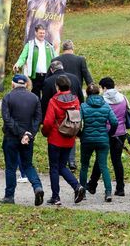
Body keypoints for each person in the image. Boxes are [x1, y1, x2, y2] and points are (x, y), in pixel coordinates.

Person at [0, 74, 44, 206]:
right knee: (28, 165)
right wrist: (28, 134)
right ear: (26, 84)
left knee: (10, 167)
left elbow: (7, 119)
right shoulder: (34, 98)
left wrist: (20, 134)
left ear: (13, 84)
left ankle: (9, 196)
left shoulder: (8, 97)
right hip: (27, 139)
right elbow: (37, 119)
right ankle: (37, 187)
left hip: (11, 137)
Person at [41, 75, 84, 206]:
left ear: (57, 87)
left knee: (54, 167)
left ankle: (56, 196)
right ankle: (77, 186)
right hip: (69, 137)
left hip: (55, 138)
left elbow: (48, 122)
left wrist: (44, 132)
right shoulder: (75, 100)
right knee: (62, 166)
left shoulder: (53, 101)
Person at [88, 77, 129, 197]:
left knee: (100, 160)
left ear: (104, 87)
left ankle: (92, 184)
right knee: (117, 161)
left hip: (105, 133)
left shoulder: (102, 100)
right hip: (120, 133)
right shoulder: (123, 98)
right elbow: (127, 114)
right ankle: (120, 188)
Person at [78, 84, 118, 202]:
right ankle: (108, 192)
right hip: (103, 140)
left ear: (87, 94)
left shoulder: (83, 106)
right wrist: (109, 133)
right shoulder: (105, 106)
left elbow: (78, 123)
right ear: (99, 93)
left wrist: (80, 134)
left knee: (84, 166)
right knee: (103, 166)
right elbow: (114, 122)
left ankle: (82, 192)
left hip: (87, 140)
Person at [41, 59, 84, 170]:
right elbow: (80, 96)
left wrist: (43, 119)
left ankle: (58, 162)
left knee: (57, 137)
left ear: (51, 69)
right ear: (62, 67)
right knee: (71, 133)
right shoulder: (74, 78)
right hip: (74, 112)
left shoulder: (48, 81)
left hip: (56, 113)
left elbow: (45, 101)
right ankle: (71, 161)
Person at [14, 23, 56, 100]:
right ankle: (36, 111)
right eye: (40, 33)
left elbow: (56, 58)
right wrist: (18, 64)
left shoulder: (49, 46)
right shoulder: (29, 45)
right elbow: (22, 57)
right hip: (34, 76)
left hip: (48, 75)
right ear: (35, 33)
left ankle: (44, 112)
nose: (42, 35)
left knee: (47, 98)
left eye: (43, 33)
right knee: (35, 98)